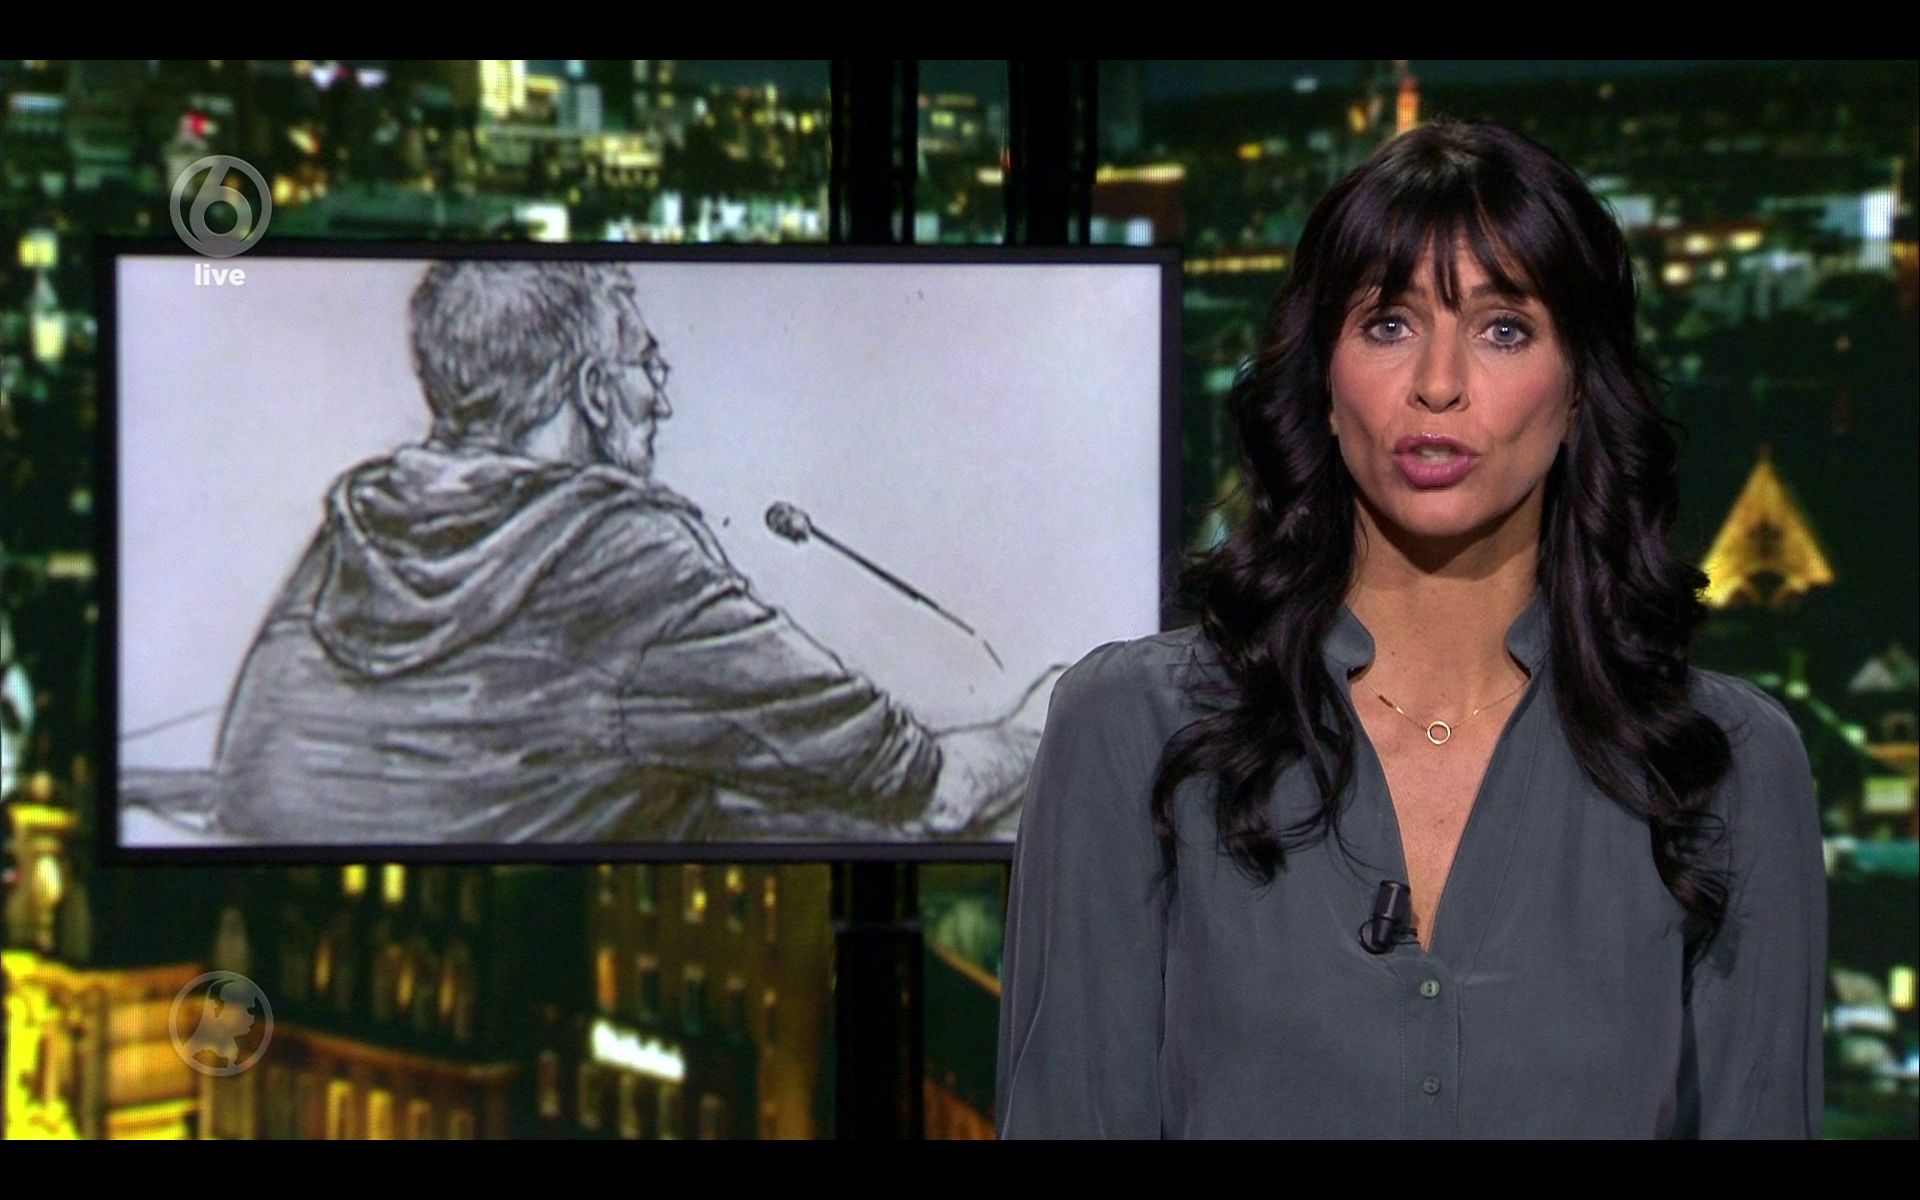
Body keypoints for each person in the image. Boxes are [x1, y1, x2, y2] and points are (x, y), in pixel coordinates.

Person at [995, 119, 1827, 1138]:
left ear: (1578, 389)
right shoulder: (1131, 729)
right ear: (1323, 380)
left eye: (1503, 329)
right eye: (1388, 324)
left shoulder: (1727, 766)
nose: (1439, 383)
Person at [213, 261, 1042, 844]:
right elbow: (924, 788)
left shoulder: (358, 527)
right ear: (594, 393)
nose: (662, 399)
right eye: (646, 362)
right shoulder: (629, 559)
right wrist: (1044, 725)